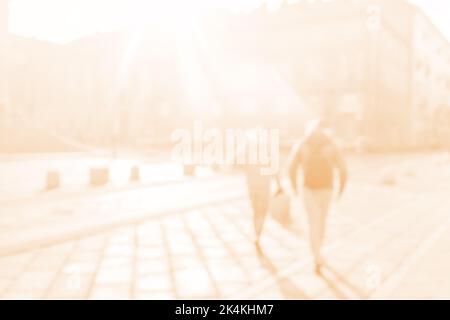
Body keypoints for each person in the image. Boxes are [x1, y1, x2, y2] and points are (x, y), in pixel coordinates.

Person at [288, 119, 348, 274]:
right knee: (320, 222)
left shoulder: (302, 144)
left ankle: (316, 255)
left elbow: (291, 168)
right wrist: (340, 190)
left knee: (313, 223)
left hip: (308, 189)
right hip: (326, 189)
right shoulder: (332, 145)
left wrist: (295, 188)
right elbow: (343, 169)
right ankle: (317, 255)